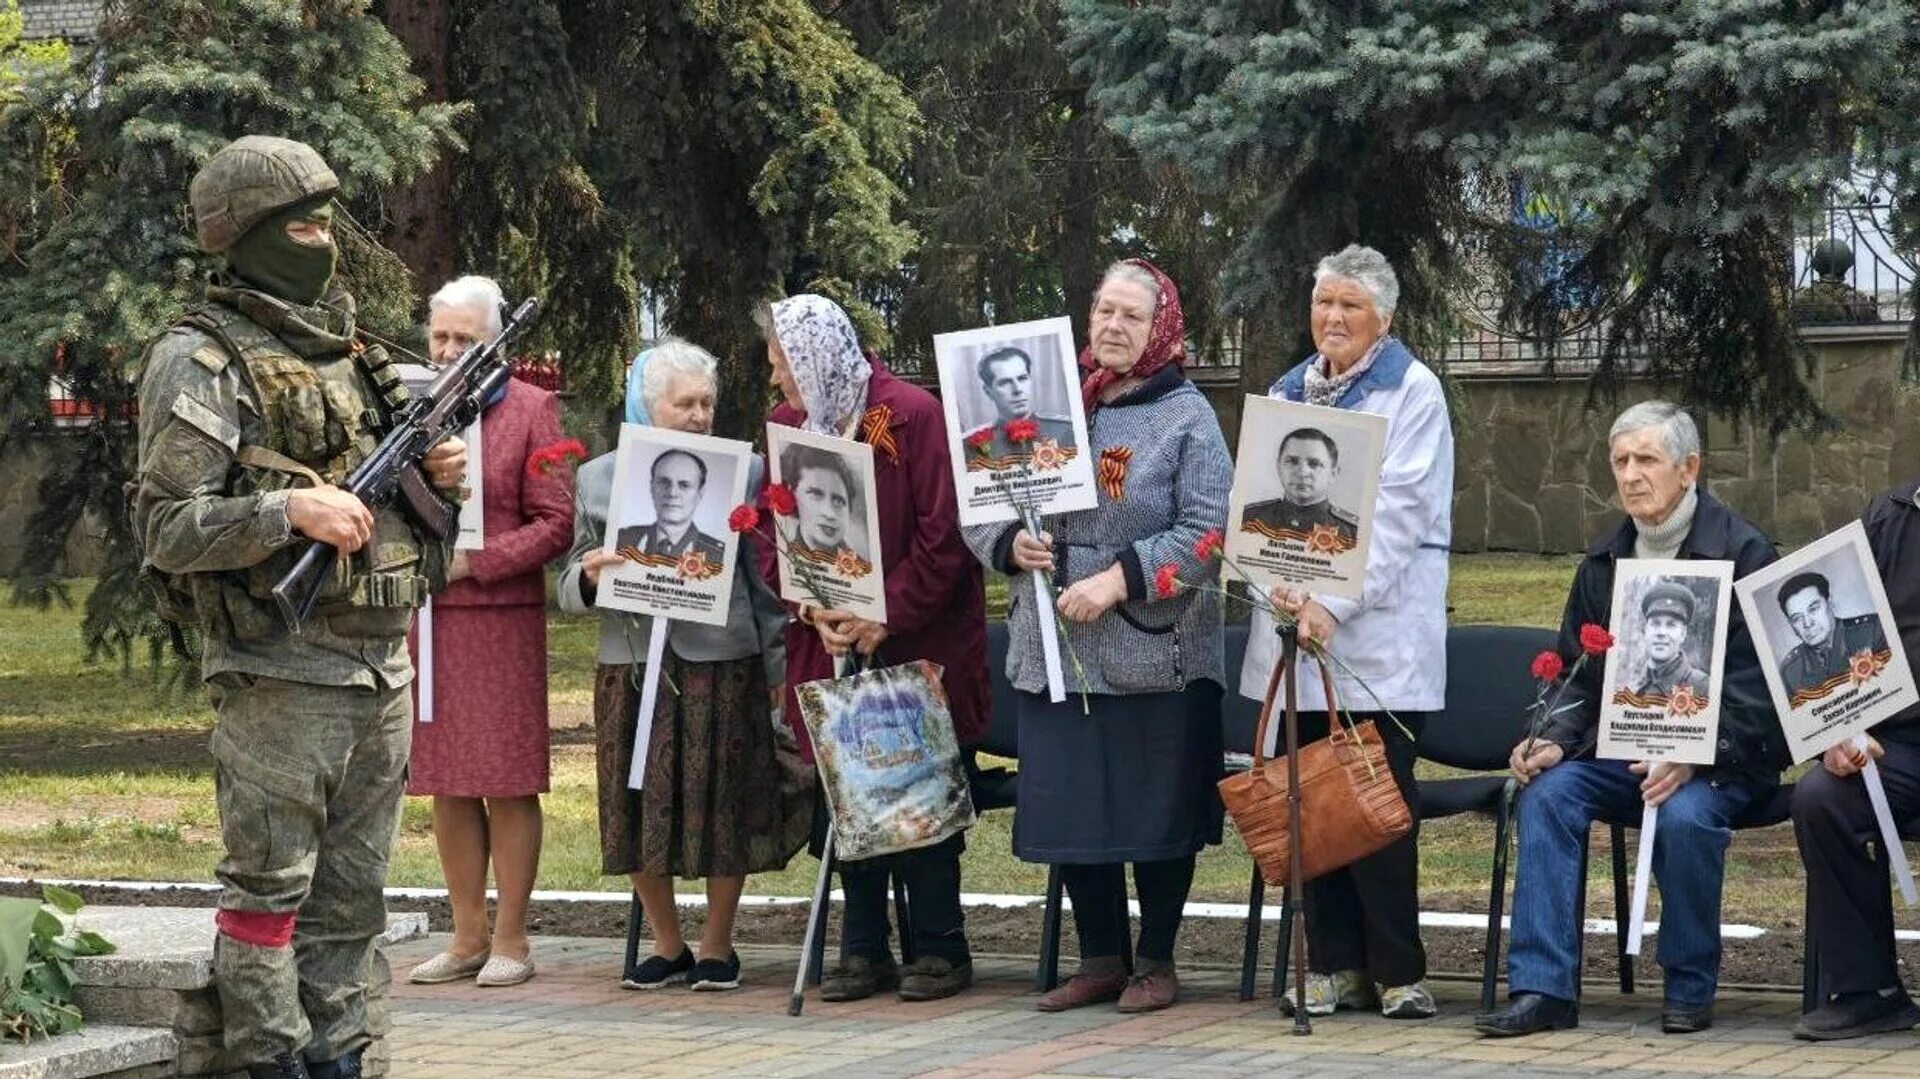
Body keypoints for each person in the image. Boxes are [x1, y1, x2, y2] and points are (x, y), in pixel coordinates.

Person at [131, 136, 465, 1079]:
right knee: (270, 898)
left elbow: (408, 521)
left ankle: (343, 1062)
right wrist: (290, 509)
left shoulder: (354, 355)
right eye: (298, 223)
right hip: (280, 670)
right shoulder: (199, 357)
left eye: (326, 220)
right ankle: (273, 1064)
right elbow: (166, 526)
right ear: (244, 234)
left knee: (352, 909)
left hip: (378, 667)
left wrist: (441, 479)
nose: (320, 239)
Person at [964, 258, 1230, 1014]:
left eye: (1131, 317)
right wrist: (1011, 541)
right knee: (1080, 804)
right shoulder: (1044, 404)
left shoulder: (1187, 416)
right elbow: (979, 497)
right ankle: (1101, 957)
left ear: (1162, 329)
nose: (1114, 327)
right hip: (1057, 647)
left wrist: (1119, 577)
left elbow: (1210, 531)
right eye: (1104, 311)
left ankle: (1157, 958)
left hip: (1153, 646)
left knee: (1154, 808)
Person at [1478, 401, 1782, 1038]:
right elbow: (1573, 673)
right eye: (1620, 461)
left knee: (1684, 813)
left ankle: (1689, 985)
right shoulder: (1605, 560)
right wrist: (1554, 740)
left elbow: (1766, 691)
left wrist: (1698, 752)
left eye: (1647, 459)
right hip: (1622, 752)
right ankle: (1543, 990)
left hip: (1723, 761)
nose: (1631, 474)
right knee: (1549, 795)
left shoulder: (1746, 553)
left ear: (1689, 467)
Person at [557, 340, 811, 991]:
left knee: (726, 799)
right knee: (634, 801)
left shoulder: (745, 474)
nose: (700, 415)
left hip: (722, 661)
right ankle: (667, 945)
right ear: (649, 403)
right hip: (633, 663)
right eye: (685, 403)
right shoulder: (597, 479)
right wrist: (586, 579)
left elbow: (767, 582)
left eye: (708, 402)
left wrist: (779, 666)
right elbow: (565, 583)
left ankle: (719, 944)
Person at [1245, 244, 1455, 1021]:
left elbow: (1400, 516)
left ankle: (1398, 969)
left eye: (1351, 307)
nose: (1332, 318)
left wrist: (1335, 604)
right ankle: (1333, 965)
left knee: (1373, 807)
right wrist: (1282, 590)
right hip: (1292, 629)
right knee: (1310, 807)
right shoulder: (1286, 391)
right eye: (1324, 303)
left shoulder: (1413, 392)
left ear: (1385, 319)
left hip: (1373, 640)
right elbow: (1259, 512)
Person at [760, 294, 988, 1003]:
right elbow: (773, 538)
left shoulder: (911, 414)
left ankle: (940, 946)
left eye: (784, 365)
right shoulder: (788, 426)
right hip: (826, 638)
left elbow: (943, 533)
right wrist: (810, 605)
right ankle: (862, 946)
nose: (778, 381)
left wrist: (882, 613)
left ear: (816, 356)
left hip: (918, 639)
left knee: (915, 786)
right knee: (845, 788)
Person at [402, 275, 573, 990]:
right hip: (431, 618)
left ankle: (512, 936)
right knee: (446, 782)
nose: (448, 350)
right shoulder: (406, 412)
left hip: (499, 622)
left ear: (497, 340)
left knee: (503, 781)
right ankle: (466, 932)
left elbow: (558, 522)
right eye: (439, 336)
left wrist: (478, 560)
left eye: (464, 338)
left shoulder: (535, 410)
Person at [1790, 478, 1920, 1040]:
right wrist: (1839, 730)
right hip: (1897, 741)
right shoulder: (1889, 518)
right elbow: (1839, 643)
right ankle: (1871, 990)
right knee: (1822, 798)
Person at [1777, 571, 1891, 702]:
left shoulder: (1873, 630)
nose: (1807, 623)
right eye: (1797, 618)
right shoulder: (1790, 671)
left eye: (1813, 609)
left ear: (1830, 602)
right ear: (1791, 624)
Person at [1241, 428, 1360, 547]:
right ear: (1278, 466)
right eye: (1292, 461)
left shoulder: (1352, 534)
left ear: (1333, 474)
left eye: (1314, 464)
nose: (1302, 473)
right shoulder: (1249, 520)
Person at [611, 449, 726, 565]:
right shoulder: (620, 540)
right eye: (664, 482)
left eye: (684, 485)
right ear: (652, 487)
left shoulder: (719, 556)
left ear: (700, 493)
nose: (672, 493)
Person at [965, 345, 1076, 455]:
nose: (1017, 389)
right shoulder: (972, 444)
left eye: (1022, 379)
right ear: (988, 391)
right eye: (1005, 382)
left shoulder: (1066, 430)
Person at [777, 441, 871, 563]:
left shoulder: (863, 570)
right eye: (816, 494)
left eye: (838, 501)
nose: (829, 513)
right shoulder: (779, 560)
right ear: (792, 494)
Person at [1629, 582, 1712, 701]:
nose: (1661, 632)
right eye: (1655, 623)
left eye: (1671, 625)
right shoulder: (1630, 690)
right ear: (1645, 630)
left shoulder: (1703, 688)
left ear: (1683, 634)